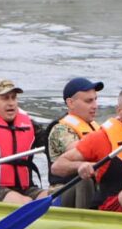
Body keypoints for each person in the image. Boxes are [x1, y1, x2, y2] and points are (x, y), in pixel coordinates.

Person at [40, 76, 104, 208]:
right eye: (88, 101)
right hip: (62, 193)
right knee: (84, 179)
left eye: (95, 100)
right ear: (70, 103)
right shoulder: (60, 129)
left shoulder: (95, 127)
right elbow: (82, 151)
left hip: (93, 189)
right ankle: (84, 217)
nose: (95, 106)